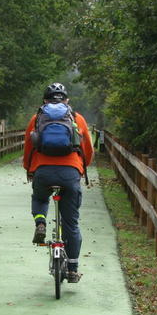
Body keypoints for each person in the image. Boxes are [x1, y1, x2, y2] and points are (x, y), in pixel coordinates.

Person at [23, 82, 94, 283]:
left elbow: (29, 146)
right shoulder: (77, 118)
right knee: (71, 223)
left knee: (40, 198)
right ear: (67, 100)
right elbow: (87, 148)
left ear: (45, 101)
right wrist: (81, 167)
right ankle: (72, 268)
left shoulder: (37, 118)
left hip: (42, 170)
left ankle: (40, 222)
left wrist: (29, 169)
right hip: (70, 172)